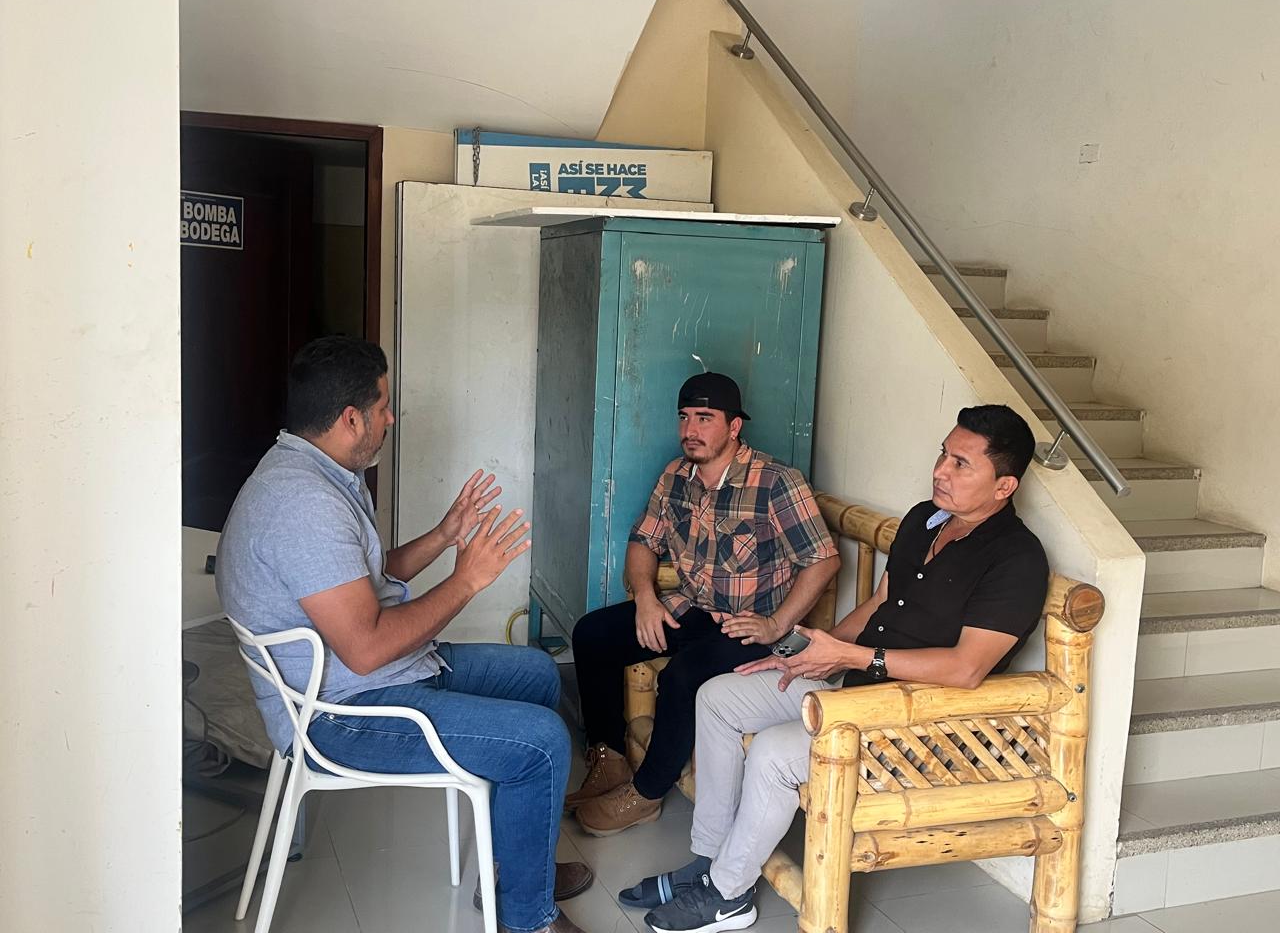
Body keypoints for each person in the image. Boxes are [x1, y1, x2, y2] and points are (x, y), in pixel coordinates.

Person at [216, 336, 592, 933]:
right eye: (383, 406)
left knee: (537, 674)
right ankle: (528, 920)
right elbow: (366, 649)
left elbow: (360, 581)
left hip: (374, 677)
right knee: (543, 741)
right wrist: (466, 581)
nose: (390, 419)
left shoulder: (313, 471)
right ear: (351, 418)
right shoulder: (303, 505)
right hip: (341, 714)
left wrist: (443, 535)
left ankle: (512, 870)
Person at [627, 405, 1051, 933]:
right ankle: (711, 862)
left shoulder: (1017, 559)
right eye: (944, 454)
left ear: (1004, 486)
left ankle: (729, 895)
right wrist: (802, 654)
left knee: (775, 752)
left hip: (921, 720)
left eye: (961, 464)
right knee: (718, 696)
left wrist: (852, 658)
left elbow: (967, 669)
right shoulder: (926, 519)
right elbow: (880, 603)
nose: (940, 470)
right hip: (857, 687)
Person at [567, 372, 840, 837]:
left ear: (734, 427)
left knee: (683, 676)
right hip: (692, 608)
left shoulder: (775, 481)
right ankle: (609, 759)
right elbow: (643, 541)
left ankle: (647, 794)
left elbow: (824, 560)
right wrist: (646, 599)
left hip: (749, 627)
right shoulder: (676, 475)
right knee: (592, 635)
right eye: (685, 417)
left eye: (705, 418)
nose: (690, 430)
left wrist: (776, 624)